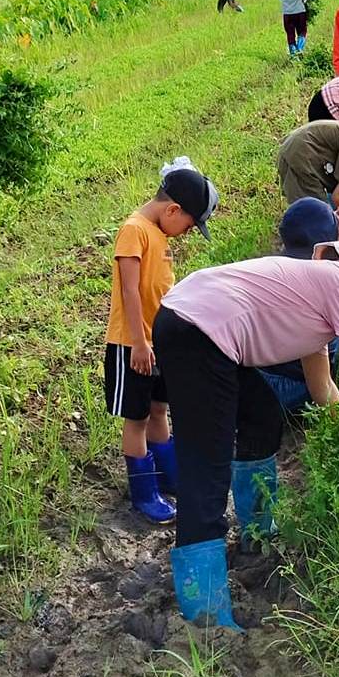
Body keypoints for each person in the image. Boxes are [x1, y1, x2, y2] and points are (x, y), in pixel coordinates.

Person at [152, 226, 339, 629]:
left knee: (261, 414)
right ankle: (205, 611)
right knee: (206, 466)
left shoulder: (321, 291)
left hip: (191, 319)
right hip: (199, 331)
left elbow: (323, 388)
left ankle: (257, 535)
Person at [105, 156, 219, 524]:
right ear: (172, 209)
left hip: (158, 343)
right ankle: (144, 493)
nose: (186, 232)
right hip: (132, 344)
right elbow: (130, 290)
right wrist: (139, 343)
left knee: (159, 409)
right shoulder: (134, 230)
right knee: (136, 418)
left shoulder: (157, 232)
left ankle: (171, 477)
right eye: (188, 224)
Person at [255, 197, 339, 412]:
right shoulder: (313, 288)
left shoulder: (274, 266)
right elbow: (321, 386)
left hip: (250, 370)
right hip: (277, 384)